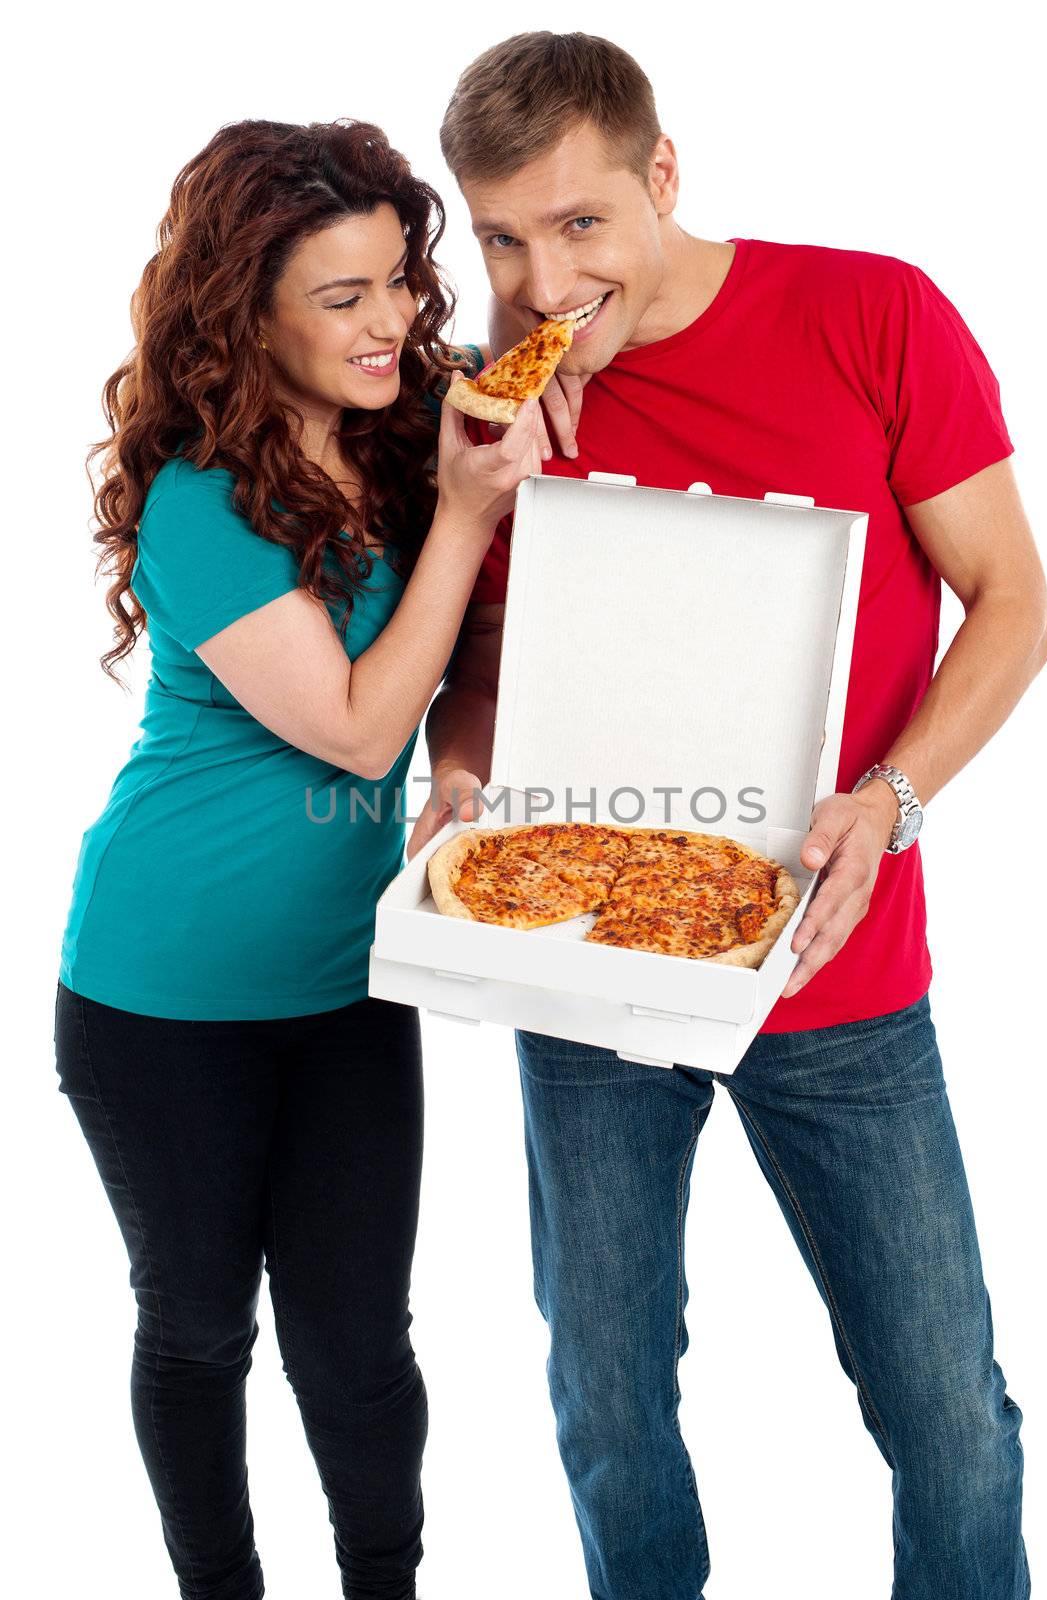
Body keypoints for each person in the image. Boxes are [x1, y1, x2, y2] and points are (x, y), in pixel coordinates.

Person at [411, 32, 1047, 1599]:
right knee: (611, 1403)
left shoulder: (870, 314)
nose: (545, 283)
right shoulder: (500, 405)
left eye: (579, 226)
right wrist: (459, 779)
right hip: (590, 965)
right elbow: (483, 664)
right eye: (500, 236)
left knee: (946, 1412)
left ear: (665, 180)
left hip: (842, 963)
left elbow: (1014, 604)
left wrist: (892, 801)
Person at [54, 117, 543, 1600]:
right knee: (199, 1327)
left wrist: (460, 769)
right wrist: (464, 516)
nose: (392, 320)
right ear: (244, 309)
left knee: (358, 1339)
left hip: (346, 984)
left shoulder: (405, 438)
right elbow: (347, 727)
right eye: (343, 298)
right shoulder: (200, 499)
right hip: (160, 996)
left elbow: (454, 677)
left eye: (398, 279)